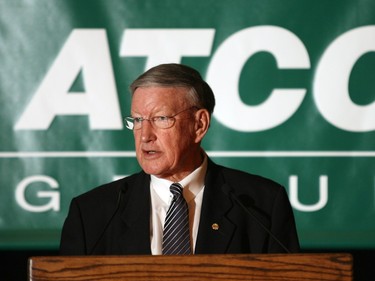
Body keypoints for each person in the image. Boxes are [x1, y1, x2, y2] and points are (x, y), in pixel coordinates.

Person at [59, 63, 300, 255]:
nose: (145, 136)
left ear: (199, 124)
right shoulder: (92, 214)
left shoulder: (261, 206)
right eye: (138, 120)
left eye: (161, 118)